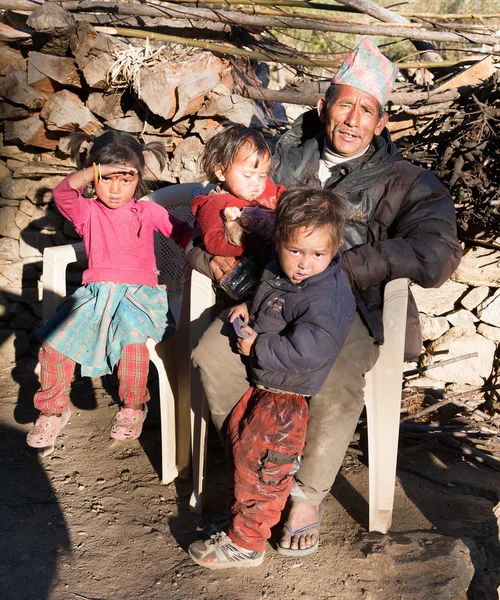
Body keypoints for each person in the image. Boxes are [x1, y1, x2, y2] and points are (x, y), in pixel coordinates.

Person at [189, 36, 462, 556]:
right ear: (323, 107)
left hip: (347, 306)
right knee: (212, 355)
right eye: (345, 105)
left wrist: (345, 268)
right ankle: (262, 464)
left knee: (336, 376)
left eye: (367, 110)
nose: (353, 119)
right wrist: (208, 260)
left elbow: (437, 251)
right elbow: (206, 210)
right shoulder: (278, 158)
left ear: (381, 122)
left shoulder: (408, 183)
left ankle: (306, 496)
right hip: (268, 293)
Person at [188, 187, 355, 569]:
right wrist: (250, 305)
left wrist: (258, 347)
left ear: (336, 247)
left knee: (263, 463)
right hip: (268, 387)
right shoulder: (280, 273)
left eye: (317, 254)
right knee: (249, 454)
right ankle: (246, 519)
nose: (303, 263)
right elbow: (273, 294)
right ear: (279, 239)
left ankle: (247, 543)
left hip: (286, 399)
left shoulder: (325, 298)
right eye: (295, 250)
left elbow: (308, 350)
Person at [27, 130, 193, 450]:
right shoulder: (87, 212)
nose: (115, 189)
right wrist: (93, 170)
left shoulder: (147, 212)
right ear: (94, 178)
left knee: (131, 343)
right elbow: (62, 193)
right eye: (107, 179)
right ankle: (52, 410)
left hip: (138, 298)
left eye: (125, 179)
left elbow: (183, 233)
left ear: (138, 177)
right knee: (54, 342)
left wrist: (196, 254)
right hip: (96, 296)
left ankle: (132, 407)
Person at [192, 123, 286, 259]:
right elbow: (213, 242)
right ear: (221, 171)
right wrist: (253, 240)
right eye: (248, 175)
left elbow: (286, 198)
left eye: (263, 175)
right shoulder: (214, 204)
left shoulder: (268, 189)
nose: (257, 182)